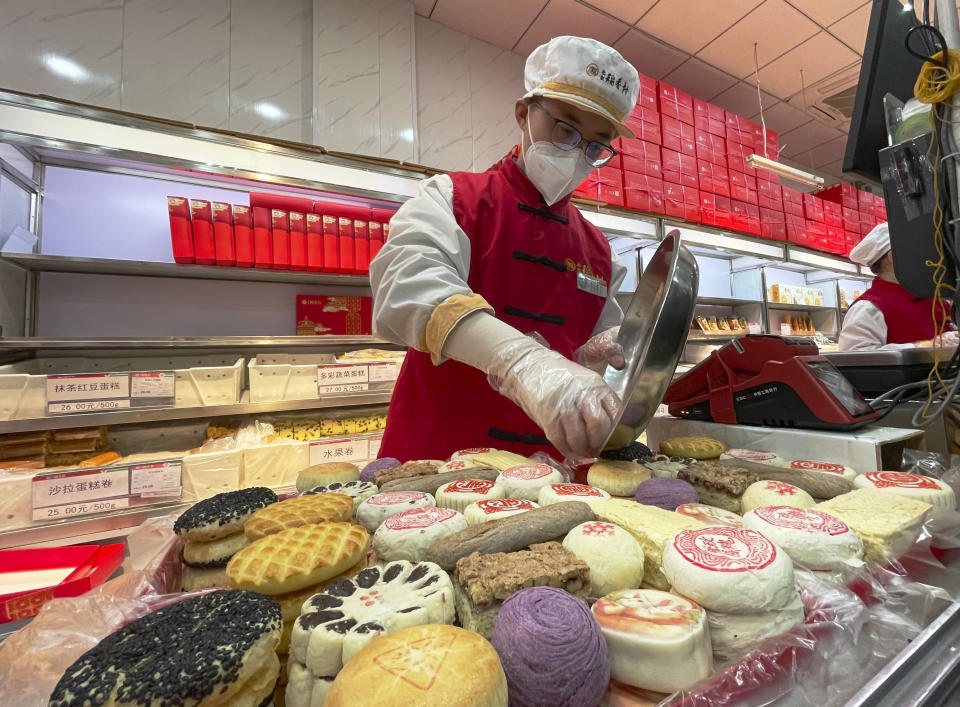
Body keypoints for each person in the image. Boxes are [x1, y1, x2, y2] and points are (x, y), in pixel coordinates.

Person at [370, 36, 639, 462]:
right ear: (523, 114)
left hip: (552, 478)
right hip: (437, 467)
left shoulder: (602, 253)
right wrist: (522, 363)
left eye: (594, 146)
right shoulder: (451, 199)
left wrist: (586, 358)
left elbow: (590, 366)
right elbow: (406, 292)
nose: (576, 154)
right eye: (565, 128)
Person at [839, 221, 955, 350]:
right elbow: (856, 361)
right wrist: (924, 346)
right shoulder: (868, 308)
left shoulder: (936, 299)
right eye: (918, 250)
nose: (926, 257)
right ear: (894, 256)